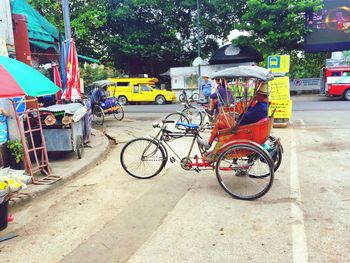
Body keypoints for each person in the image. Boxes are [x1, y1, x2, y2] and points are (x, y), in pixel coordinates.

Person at [199, 83, 269, 162]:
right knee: (219, 124)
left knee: (222, 115)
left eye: (257, 94)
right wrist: (251, 102)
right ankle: (209, 144)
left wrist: (238, 117)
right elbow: (247, 112)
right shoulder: (261, 105)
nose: (255, 95)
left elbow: (246, 115)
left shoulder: (261, 107)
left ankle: (211, 145)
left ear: (261, 95)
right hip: (244, 124)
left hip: (242, 127)